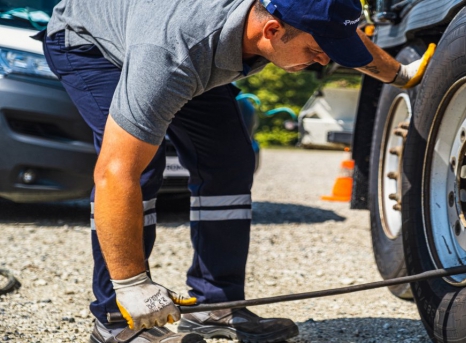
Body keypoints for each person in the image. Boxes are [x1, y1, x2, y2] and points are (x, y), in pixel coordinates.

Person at [39, 0, 433, 341]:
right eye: (315, 50)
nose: (324, 60)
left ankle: (215, 305)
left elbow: (336, 32)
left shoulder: (286, 18)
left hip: (182, 35)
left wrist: (400, 74)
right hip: (89, 42)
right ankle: (118, 320)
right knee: (139, 169)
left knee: (228, 159)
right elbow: (114, 173)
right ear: (272, 30)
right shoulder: (173, 53)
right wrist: (133, 284)